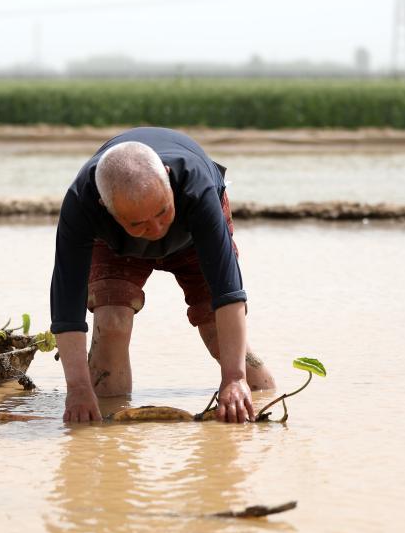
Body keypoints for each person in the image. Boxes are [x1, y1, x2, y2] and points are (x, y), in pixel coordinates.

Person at [49, 127, 275, 423]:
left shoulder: (197, 187)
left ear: (168, 177)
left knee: (217, 334)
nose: (157, 231)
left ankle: (262, 405)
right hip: (117, 246)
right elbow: (67, 305)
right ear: (106, 207)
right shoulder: (82, 204)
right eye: (141, 224)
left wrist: (233, 378)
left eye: (163, 212)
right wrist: (77, 388)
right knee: (112, 323)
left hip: (193, 238)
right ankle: (107, 434)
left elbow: (227, 291)